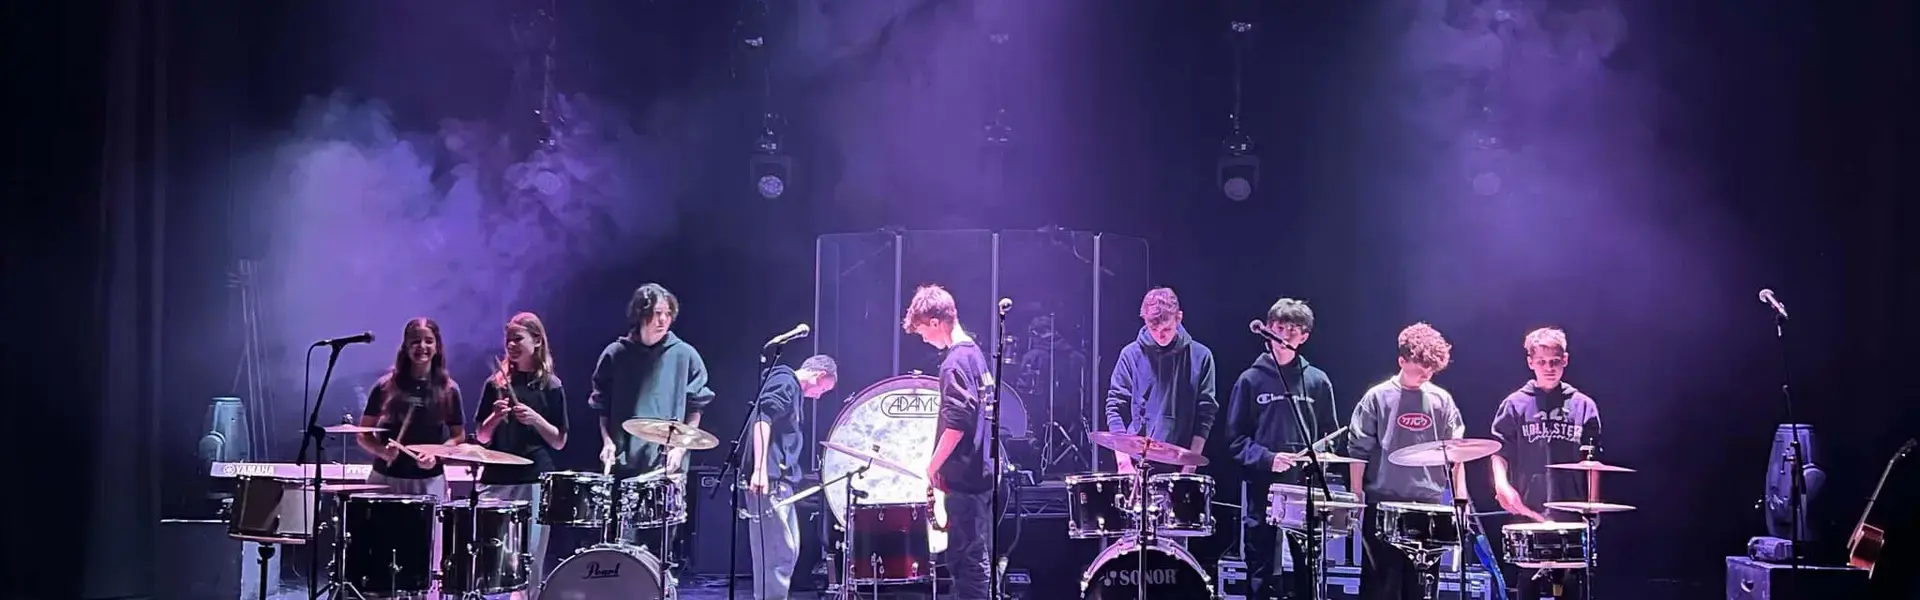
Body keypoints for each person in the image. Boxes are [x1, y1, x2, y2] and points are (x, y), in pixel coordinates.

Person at [1227, 298, 1340, 599]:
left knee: (1307, 569)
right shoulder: (1250, 380)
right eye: (1279, 327)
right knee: (1260, 569)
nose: (1285, 334)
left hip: (1305, 489)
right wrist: (1268, 459)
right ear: (1268, 331)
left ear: (1305, 336)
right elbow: (1235, 440)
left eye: (1293, 329)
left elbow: (1332, 434)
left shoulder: (1317, 381)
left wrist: (1321, 455)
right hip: (1263, 488)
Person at [1347, 322, 1469, 600]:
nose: (1427, 372)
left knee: (1421, 589)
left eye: (1431, 366)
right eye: (1420, 364)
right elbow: (1358, 451)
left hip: (1428, 506)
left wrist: (1460, 499)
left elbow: (1458, 453)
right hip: (1383, 504)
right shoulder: (1377, 397)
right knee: (1382, 588)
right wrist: (1357, 496)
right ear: (1402, 360)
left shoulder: (1442, 400)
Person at [589, 283, 716, 547]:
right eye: (656, 313)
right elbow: (602, 405)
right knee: (621, 547)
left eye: (667, 314)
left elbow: (696, 407)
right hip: (624, 464)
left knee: (660, 550)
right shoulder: (615, 354)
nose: (662, 320)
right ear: (639, 314)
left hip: (664, 467)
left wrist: (681, 447)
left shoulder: (685, 355)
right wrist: (608, 442)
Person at [1490, 327, 1601, 600]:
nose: (1548, 368)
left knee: (1573, 589)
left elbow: (1593, 462)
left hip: (1572, 514)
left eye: (1554, 361)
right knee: (1527, 586)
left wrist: (1594, 506)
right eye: (1541, 362)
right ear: (1530, 362)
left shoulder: (1584, 406)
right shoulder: (1515, 404)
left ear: (1566, 360)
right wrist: (1502, 486)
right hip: (1528, 511)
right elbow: (1498, 452)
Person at [908, 284, 995, 600]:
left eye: (922, 333)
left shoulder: (954, 363)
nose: (924, 340)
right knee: (972, 556)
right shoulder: (976, 355)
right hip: (981, 476)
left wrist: (932, 467)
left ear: (935, 321)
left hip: (966, 482)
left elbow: (957, 425)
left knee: (967, 563)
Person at [472, 312, 568, 598]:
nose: (511, 345)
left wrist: (536, 419)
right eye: (508, 340)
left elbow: (560, 441)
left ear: (537, 341)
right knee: (491, 553)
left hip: (534, 478)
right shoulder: (495, 384)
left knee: (531, 557)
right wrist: (494, 417)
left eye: (518, 339)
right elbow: (481, 437)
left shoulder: (552, 386)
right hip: (497, 476)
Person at [743, 354, 838, 600]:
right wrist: (761, 469)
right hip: (770, 481)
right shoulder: (785, 381)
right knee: (777, 554)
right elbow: (762, 420)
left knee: (788, 550)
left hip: (780, 482)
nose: (819, 396)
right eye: (823, 390)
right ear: (819, 376)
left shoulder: (792, 390)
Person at [1105, 287, 1218, 473]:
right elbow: (1115, 407)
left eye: (1166, 328)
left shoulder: (1201, 356)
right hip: (1137, 464)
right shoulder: (1130, 355)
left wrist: (1190, 465)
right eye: (1153, 329)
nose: (1160, 335)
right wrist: (1123, 462)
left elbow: (1206, 414)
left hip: (1181, 465)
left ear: (1179, 318)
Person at [354, 317, 466, 502]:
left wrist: (436, 455)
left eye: (429, 341)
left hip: (428, 480)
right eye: (415, 341)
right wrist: (381, 451)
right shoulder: (385, 386)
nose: (422, 346)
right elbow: (362, 434)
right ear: (405, 347)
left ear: (437, 347)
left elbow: (458, 436)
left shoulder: (450, 389)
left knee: (426, 531)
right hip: (386, 479)